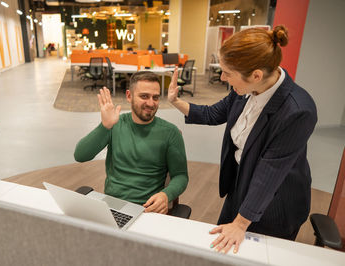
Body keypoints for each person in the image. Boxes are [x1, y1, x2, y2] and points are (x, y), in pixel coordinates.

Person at [168, 25, 317, 253]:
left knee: (250, 255)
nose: (222, 77)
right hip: (241, 186)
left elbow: (270, 171)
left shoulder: (297, 111)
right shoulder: (247, 88)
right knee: (221, 248)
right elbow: (214, 114)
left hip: (275, 202)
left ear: (256, 75)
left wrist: (240, 223)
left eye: (227, 73)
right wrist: (177, 102)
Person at [74, 71, 189, 214]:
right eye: (144, 96)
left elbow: (181, 176)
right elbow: (80, 155)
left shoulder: (170, 132)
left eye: (156, 97)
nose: (151, 103)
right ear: (129, 96)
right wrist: (104, 127)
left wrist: (166, 195)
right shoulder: (114, 124)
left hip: (147, 209)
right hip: (111, 205)